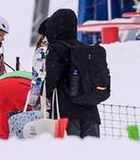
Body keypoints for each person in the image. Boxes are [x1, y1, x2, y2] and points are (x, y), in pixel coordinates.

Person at [39, 8, 105, 137]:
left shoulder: (56, 48)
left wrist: (44, 92)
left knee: (69, 151)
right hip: (91, 112)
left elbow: (52, 78)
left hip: (65, 112)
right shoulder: (86, 49)